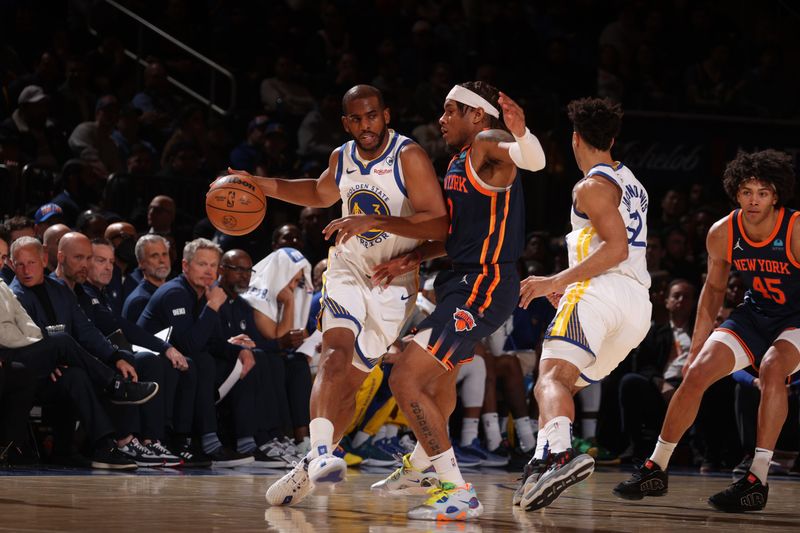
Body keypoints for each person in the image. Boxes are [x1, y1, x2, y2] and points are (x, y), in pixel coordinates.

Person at [227, 84, 445, 506]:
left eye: (372, 116)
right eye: (357, 119)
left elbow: (437, 225)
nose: (366, 126)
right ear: (347, 123)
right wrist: (260, 184)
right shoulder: (341, 157)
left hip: (391, 283)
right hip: (346, 267)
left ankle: (309, 465)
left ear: (386, 115)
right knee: (333, 355)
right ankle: (323, 452)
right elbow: (318, 192)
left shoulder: (408, 157)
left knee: (351, 386)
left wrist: (373, 220)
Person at [340, 81, 546, 520]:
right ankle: (421, 464)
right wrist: (414, 256)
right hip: (460, 281)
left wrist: (521, 132)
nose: (442, 118)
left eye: (452, 111)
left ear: (477, 116)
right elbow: (454, 237)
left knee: (405, 380)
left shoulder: (490, 144)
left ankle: (456, 491)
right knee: (436, 381)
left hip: (485, 285)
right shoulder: (456, 163)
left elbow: (534, 160)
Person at [614, 149, 800, 512]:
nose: (754, 200)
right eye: (747, 191)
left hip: (795, 318)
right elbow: (714, 290)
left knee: (773, 369)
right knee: (696, 373)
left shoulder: (794, 229)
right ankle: (656, 467)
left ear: (776, 194)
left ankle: (756, 478)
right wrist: (697, 346)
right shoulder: (723, 232)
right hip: (754, 315)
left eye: (762, 192)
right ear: (736, 192)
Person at [515, 97, 651, 511]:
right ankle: (541, 463)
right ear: (611, 138)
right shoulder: (633, 183)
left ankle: (559, 455)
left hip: (600, 293)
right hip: (636, 307)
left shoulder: (590, 185)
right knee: (564, 386)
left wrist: (554, 281)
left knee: (549, 378)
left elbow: (614, 248)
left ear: (575, 139)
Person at [122, 234, 172, 322]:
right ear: (141, 263)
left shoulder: (170, 292)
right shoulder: (139, 302)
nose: (162, 260)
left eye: (164, 254)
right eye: (154, 256)